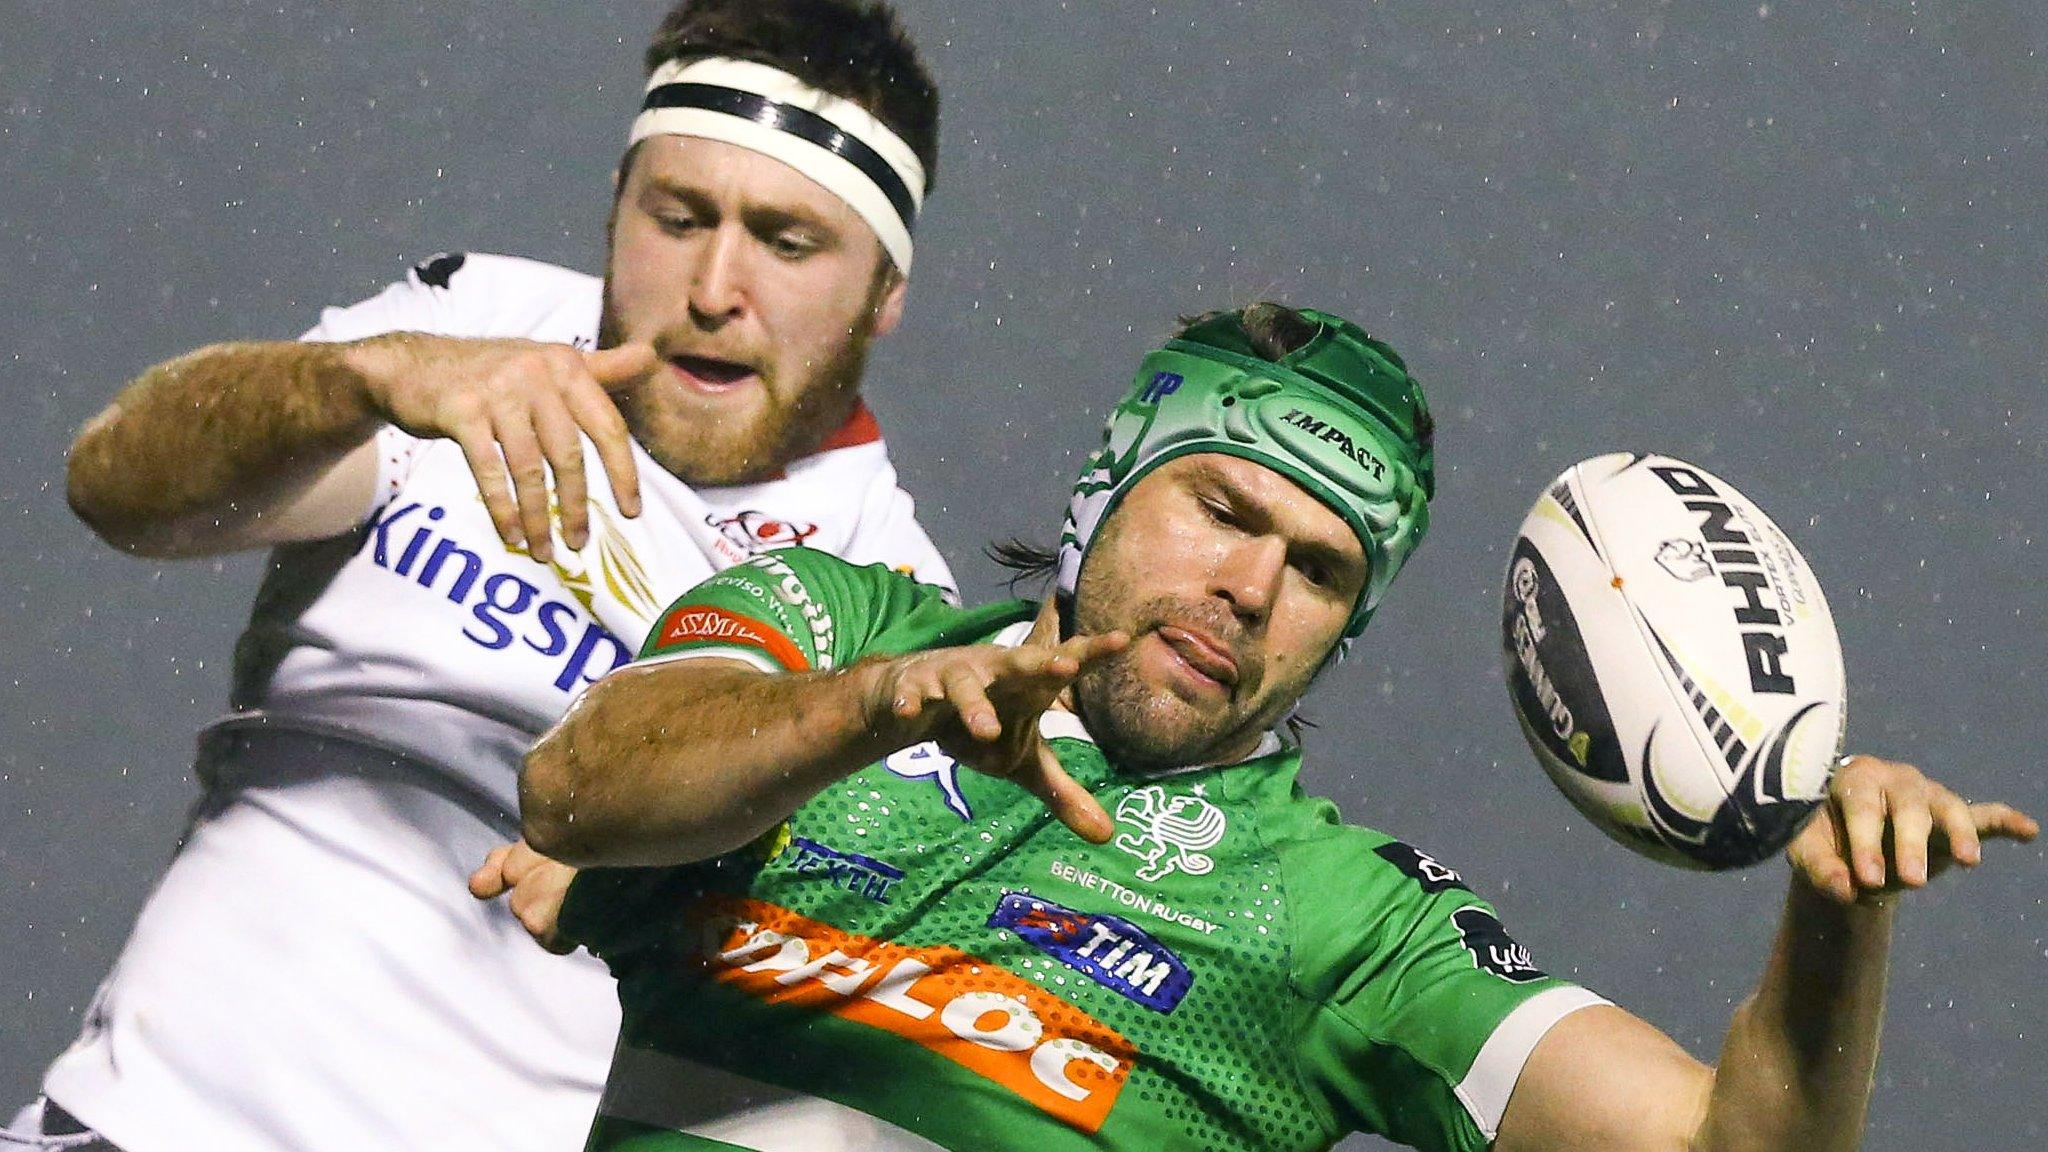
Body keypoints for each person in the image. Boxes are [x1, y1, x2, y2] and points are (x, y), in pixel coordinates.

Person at [477, 302, 2036, 1152]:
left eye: (1320, 573)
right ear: (1104, 489)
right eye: (1221, 510)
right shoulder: (838, 628)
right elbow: (579, 791)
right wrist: (872, 711)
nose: (1248, 589)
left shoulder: (1345, 919)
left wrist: (1835, 922)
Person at [18, 3, 954, 1151]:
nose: (715, 286)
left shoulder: (895, 610)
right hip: (135, 1126)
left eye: (787, 241)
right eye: (677, 217)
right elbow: (118, 491)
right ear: (617, 205)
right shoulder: (469, 326)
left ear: (885, 295)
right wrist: (357, 381)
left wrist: (650, 858)